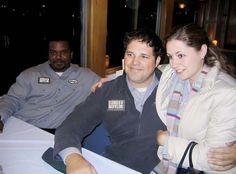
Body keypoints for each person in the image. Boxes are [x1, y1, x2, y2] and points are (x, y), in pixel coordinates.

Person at [53, 28, 167, 174]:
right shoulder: (106, 91)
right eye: (130, 54)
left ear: (157, 61)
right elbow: (71, 125)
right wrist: (73, 158)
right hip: (115, 166)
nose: (134, 62)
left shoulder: (172, 91)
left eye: (144, 56)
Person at [152, 23, 236, 174]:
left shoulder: (227, 93)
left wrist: (165, 141)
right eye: (170, 56)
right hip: (173, 164)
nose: (173, 64)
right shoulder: (173, 77)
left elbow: (212, 161)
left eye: (181, 55)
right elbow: (144, 70)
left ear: (202, 51)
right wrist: (109, 81)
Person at [0, 35, 100, 134]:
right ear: (48, 54)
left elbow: (109, 95)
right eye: (53, 53)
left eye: (63, 52)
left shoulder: (86, 76)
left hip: (58, 133)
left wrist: (114, 109)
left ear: (71, 54)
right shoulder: (30, 74)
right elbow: (11, 99)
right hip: (23, 126)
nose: (58, 57)